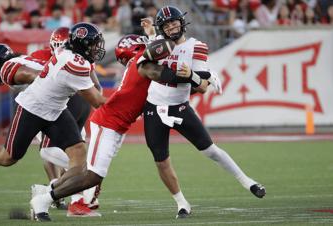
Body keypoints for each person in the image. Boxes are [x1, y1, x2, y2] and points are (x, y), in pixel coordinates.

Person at [29, 31, 213, 219]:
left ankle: (46, 192)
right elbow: (167, 72)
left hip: (116, 125)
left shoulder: (141, 61)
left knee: (89, 172)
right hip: (108, 122)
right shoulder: (144, 63)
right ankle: (46, 200)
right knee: (92, 175)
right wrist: (197, 75)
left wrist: (200, 77)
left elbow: (172, 85)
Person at [141, 5, 266, 218]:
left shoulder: (196, 46)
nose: (171, 27)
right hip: (153, 106)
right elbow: (146, 68)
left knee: (210, 150)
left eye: (174, 22)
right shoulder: (159, 45)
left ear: (182, 22)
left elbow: (201, 87)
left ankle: (248, 181)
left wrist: (193, 75)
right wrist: (151, 36)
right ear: (162, 28)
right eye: (167, 24)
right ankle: (181, 203)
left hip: (180, 107)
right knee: (160, 160)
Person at [0, 22, 106, 222]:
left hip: (56, 109)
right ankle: (51, 193)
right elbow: (97, 100)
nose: (97, 48)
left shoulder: (74, 57)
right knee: (7, 158)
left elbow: (94, 86)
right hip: (33, 108)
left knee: (79, 159)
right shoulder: (73, 62)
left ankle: (45, 195)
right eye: (94, 44)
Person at [30, 26, 101, 212]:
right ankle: (67, 194)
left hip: (75, 109)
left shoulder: (80, 58)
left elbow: (96, 86)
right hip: (52, 109)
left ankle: (50, 192)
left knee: (78, 155)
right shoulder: (43, 56)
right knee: (75, 161)